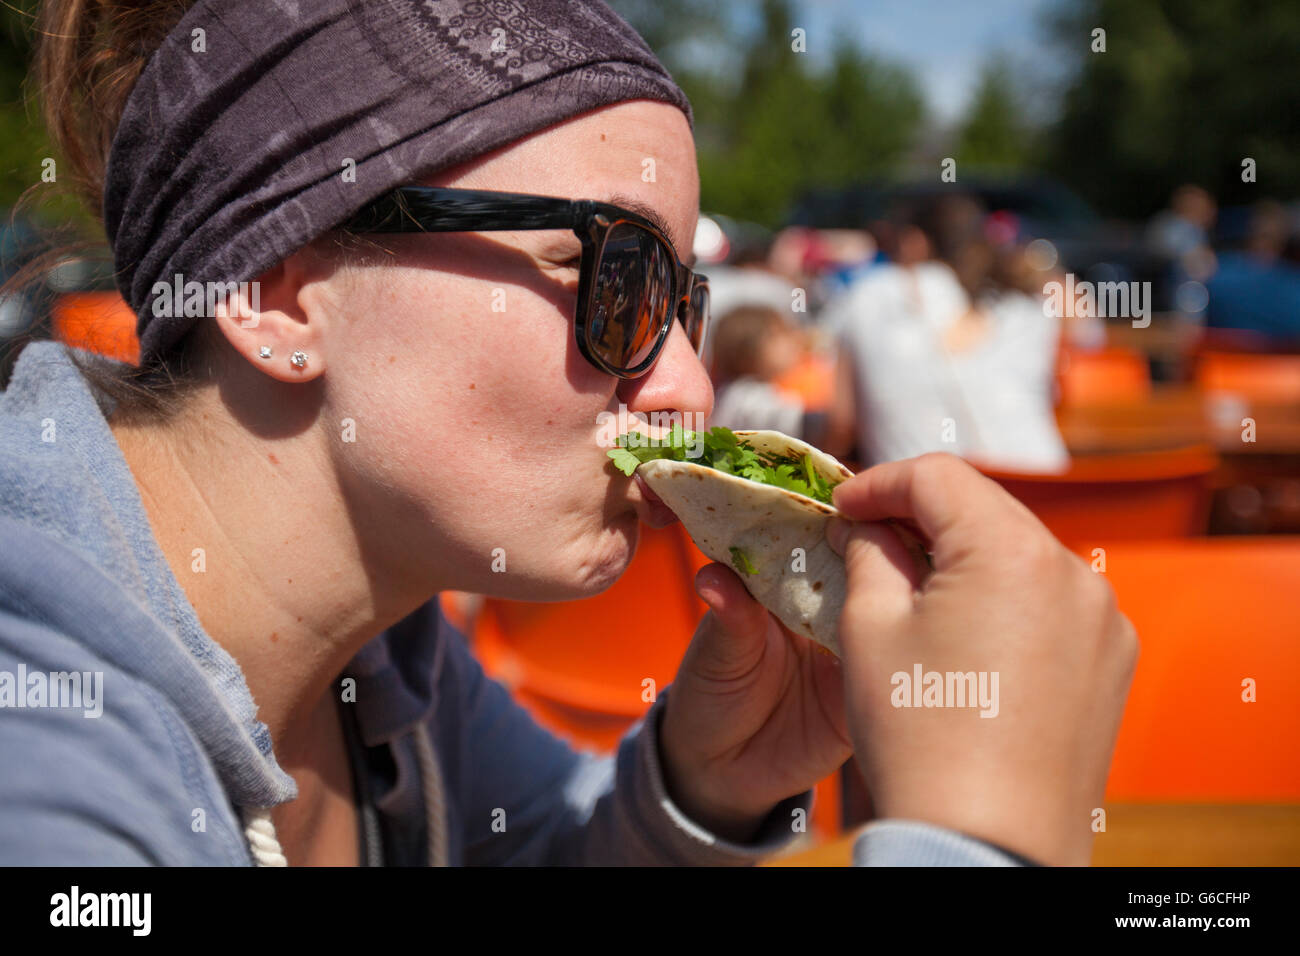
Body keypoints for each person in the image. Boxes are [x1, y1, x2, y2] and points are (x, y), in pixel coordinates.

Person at [0, 0, 1136, 867]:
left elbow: (532, 847)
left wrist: (702, 781)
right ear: (275, 293)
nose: (687, 386)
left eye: (681, 302)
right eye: (615, 274)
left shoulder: (387, 659)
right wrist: (978, 838)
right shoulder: (45, 763)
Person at [826, 194, 1072, 473]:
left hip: (922, 506)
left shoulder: (869, 294)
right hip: (1048, 494)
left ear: (913, 242)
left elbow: (841, 427)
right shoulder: (1027, 308)